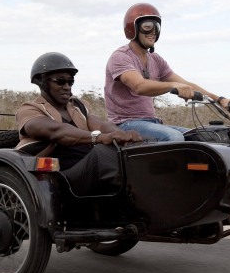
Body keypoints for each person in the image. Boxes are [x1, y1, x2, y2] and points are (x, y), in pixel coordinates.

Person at [16, 52, 142, 195]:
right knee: (103, 152)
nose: (67, 86)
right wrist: (99, 138)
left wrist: (121, 135)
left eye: (70, 82)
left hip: (87, 168)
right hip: (59, 177)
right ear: (42, 81)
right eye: (60, 81)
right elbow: (58, 131)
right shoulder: (30, 109)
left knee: (133, 150)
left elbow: (101, 125)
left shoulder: (77, 106)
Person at [104, 2, 230, 142]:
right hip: (125, 124)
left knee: (203, 137)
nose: (153, 31)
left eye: (157, 27)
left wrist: (220, 99)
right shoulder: (121, 57)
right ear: (132, 28)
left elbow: (186, 84)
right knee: (174, 137)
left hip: (152, 123)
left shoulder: (156, 60)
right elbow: (139, 86)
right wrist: (173, 86)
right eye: (148, 26)